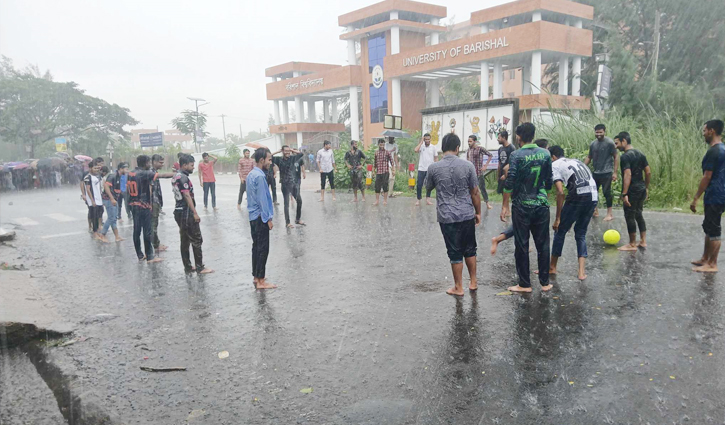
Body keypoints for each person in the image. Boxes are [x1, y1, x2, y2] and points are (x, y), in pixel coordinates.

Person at [426, 133, 482, 296]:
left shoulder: (433, 168)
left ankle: (458, 287)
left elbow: (429, 187)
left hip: (447, 216)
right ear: (458, 148)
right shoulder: (468, 166)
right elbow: (475, 192)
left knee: (454, 251)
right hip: (466, 214)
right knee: (470, 249)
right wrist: (478, 212)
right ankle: (473, 281)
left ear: (443, 148)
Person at [501, 122, 553, 293]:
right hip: (541, 204)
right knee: (543, 244)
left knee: (522, 244)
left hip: (522, 205)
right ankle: (545, 283)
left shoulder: (516, 155)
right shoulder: (545, 153)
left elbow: (510, 181)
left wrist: (505, 205)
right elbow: (549, 181)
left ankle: (524, 284)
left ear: (518, 137)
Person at [547, 146, 598, 280]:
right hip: (593, 195)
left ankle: (552, 267)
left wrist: (558, 218)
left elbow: (560, 192)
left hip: (578, 195)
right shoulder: (576, 161)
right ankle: (581, 272)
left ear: (553, 157)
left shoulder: (554, 165)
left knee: (560, 230)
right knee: (580, 233)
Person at [691, 119, 725, 272]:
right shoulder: (723, 149)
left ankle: (712, 264)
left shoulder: (714, 151)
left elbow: (707, 177)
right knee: (709, 226)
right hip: (719, 193)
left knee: (714, 228)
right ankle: (705, 258)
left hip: (715, 195)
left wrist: (696, 197)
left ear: (711, 131)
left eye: (704, 131)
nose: (703, 134)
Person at [128, 155, 174, 263]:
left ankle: (140, 255)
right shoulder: (145, 173)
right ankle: (150, 257)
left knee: (136, 231)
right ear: (145, 163)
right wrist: (177, 174)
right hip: (143, 206)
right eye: (149, 163)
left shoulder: (131, 173)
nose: (150, 165)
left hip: (133, 205)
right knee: (147, 232)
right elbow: (162, 175)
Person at [172, 154, 213, 274]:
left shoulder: (176, 176)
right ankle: (200, 267)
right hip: (186, 212)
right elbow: (186, 195)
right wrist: (194, 213)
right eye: (191, 165)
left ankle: (188, 266)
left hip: (178, 211)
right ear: (184, 165)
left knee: (184, 240)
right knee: (196, 239)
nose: (193, 168)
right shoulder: (183, 178)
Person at [615, 131, 651, 251]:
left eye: (617, 143)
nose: (616, 146)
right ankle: (643, 241)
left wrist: (624, 193)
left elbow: (627, 175)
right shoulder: (640, 153)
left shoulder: (625, 156)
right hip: (641, 188)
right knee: (638, 214)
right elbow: (648, 172)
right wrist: (646, 187)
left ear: (624, 141)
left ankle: (632, 244)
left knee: (630, 215)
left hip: (632, 190)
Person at [247, 148, 276, 289]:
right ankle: (261, 281)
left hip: (253, 217)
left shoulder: (251, 174)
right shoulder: (259, 176)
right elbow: (262, 200)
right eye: (269, 159)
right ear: (261, 160)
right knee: (263, 249)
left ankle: (256, 276)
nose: (270, 162)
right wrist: (268, 219)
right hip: (260, 218)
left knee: (256, 247)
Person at [584, 124, 618, 221]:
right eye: (597, 132)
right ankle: (595, 210)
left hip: (607, 171)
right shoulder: (593, 144)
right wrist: (581, 166)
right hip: (596, 172)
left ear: (604, 132)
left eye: (600, 132)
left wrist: (615, 172)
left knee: (606, 192)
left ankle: (609, 214)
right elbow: (589, 157)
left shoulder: (609, 142)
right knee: (593, 192)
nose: (598, 134)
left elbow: (616, 156)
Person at [271, 145, 305, 228]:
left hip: (293, 184)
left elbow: (301, 154)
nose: (287, 152)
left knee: (299, 201)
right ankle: (287, 222)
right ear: (282, 151)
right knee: (286, 204)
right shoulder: (279, 159)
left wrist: (292, 149)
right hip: (285, 184)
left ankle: (297, 219)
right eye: (285, 151)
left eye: (288, 151)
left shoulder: (293, 158)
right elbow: (270, 156)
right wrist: (278, 151)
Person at [466, 134, 493, 210]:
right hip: (471, 174)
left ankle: (487, 203)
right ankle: (471, 204)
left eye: (470, 141)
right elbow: (468, 160)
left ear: (475, 141)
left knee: (482, 188)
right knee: (471, 189)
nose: (469, 143)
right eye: (468, 141)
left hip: (479, 172)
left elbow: (490, 155)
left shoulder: (480, 149)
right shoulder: (469, 150)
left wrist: (485, 166)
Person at [100, 164, 125, 243]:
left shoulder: (118, 176)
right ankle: (102, 235)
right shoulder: (113, 176)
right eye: (126, 168)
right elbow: (106, 186)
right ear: (120, 169)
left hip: (114, 199)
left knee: (114, 218)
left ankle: (117, 236)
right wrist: (112, 198)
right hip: (109, 200)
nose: (127, 170)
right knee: (111, 218)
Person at [414, 133, 438, 206]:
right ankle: (418, 199)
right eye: (425, 139)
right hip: (421, 168)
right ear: (424, 139)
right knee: (419, 185)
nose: (427, 140)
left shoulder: (433, 147)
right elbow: (415, 150)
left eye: (428, 139)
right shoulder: (421, 146)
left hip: (430, 169)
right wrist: (421, 142)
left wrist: (436, 166)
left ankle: (428, 198)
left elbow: (436, 157)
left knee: (429, 185)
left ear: (430, 139)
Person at [150, 154, 167, 252]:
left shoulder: (154, 171)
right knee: (153, 224)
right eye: (160, 163)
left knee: (154, 224)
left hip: (156, 201)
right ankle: (156, 245)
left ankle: (156, 243)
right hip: (153, 202)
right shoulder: (151, 173)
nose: (162, 164)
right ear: (154, 162)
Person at [85, 161, 105, 240]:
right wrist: (92, 200)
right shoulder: (88, 177)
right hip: (93, 200)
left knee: (100, 213)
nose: (96, 169)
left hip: (99, 199)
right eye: (94, 168)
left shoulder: (98, 176)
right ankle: (95, 232)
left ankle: (98, 230)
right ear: (90, 168)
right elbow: (88, 189)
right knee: (94, 216)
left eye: (97, 168)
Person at [373, 139, 394, 206]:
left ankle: (385, 200)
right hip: (378, 172)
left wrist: (393, 170)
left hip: (385, 171)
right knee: (377, 187)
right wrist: (373, 171)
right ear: (378, 144)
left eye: (383, 144)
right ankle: (377, 200)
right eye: (380, 144)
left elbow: (392, 162)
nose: (382, 146)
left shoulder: (387, 152)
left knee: (385, 186)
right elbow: (375, 163)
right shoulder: (376, 153)